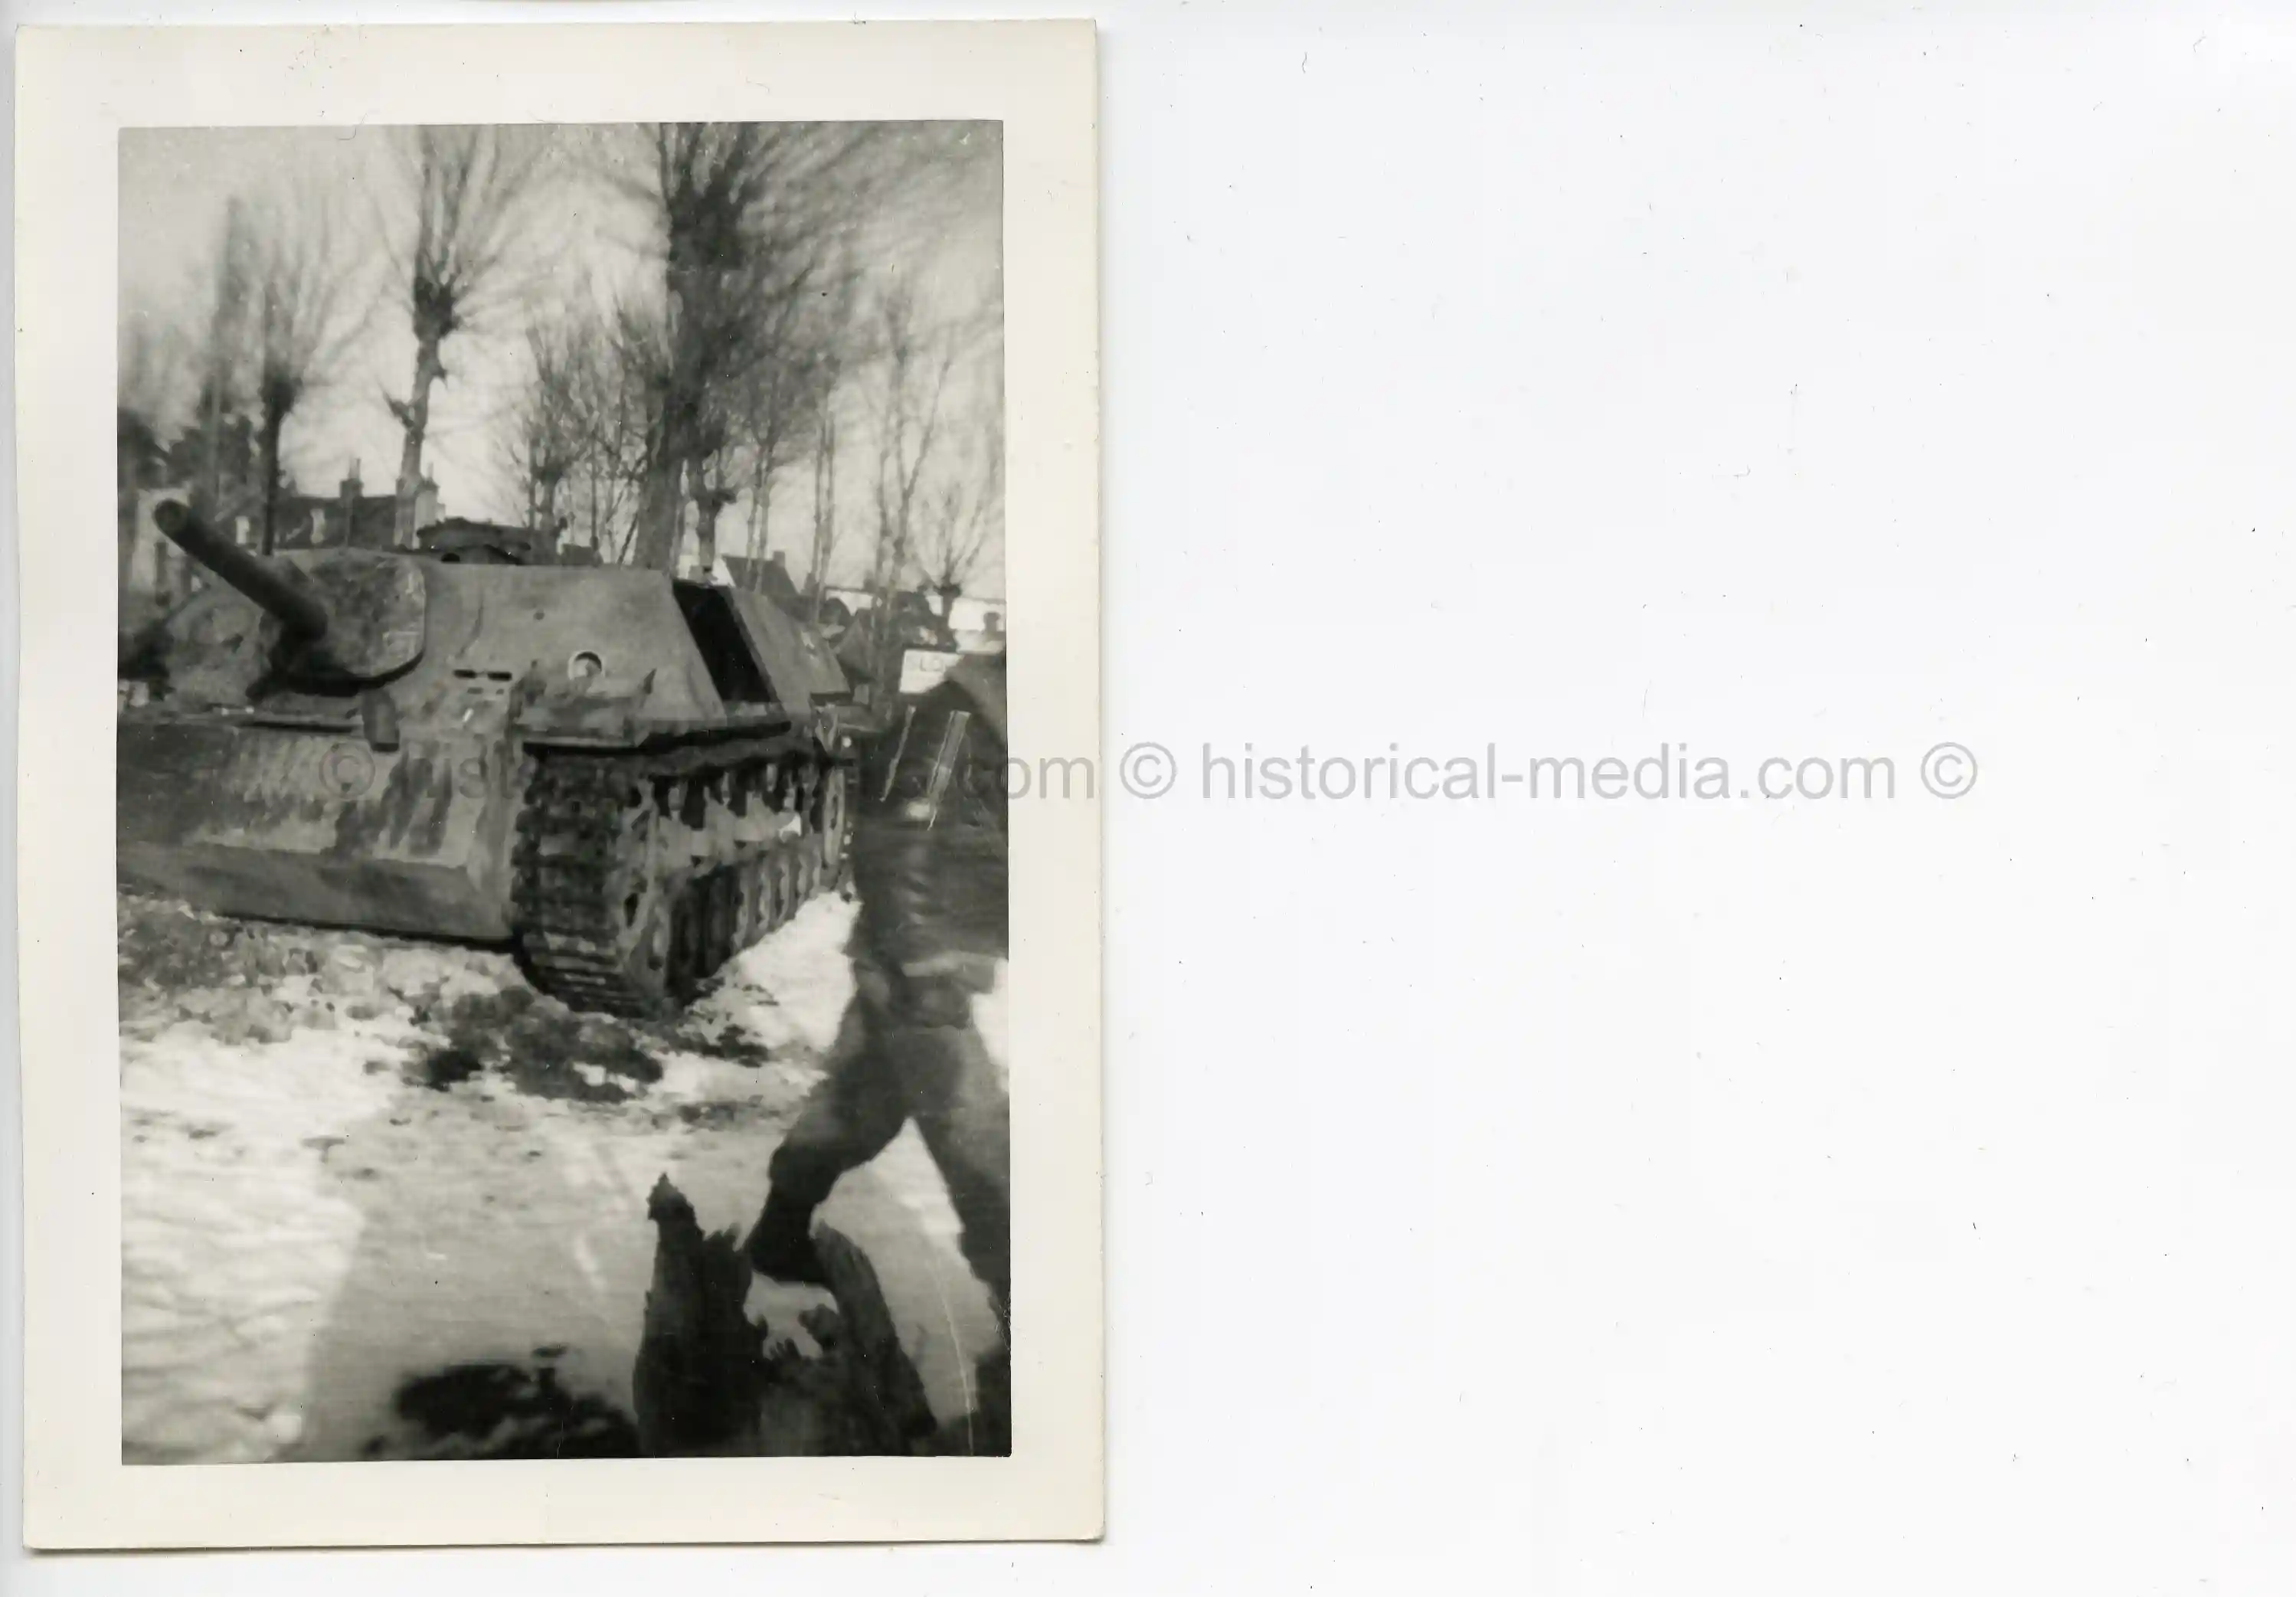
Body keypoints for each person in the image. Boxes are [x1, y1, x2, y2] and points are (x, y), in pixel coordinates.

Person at [744, 653, 1012, 1320]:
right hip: (921, 967)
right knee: (976, 1136)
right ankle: (1025, 1302)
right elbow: (896, 846)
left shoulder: (983, 723)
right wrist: (925, 967)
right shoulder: (951, 724)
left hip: (924, 955)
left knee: (859, 1102)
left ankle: (778, 1233)